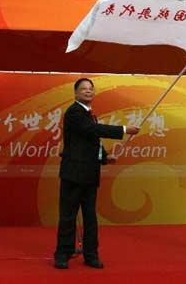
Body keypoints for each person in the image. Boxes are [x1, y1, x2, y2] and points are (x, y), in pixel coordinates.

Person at [54, 78, 139, 269]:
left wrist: (105, 157)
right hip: (73, 174)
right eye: (83, 89)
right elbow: (93, 130)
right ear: (76, 93)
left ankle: (91, 254)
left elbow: (93, 141)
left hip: (90, 175)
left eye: (91, 89)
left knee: (90, 217)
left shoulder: (90, 115)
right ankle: (63, 253)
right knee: (68, 216)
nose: (88, 91)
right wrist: (124, 129)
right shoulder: (74, 112)